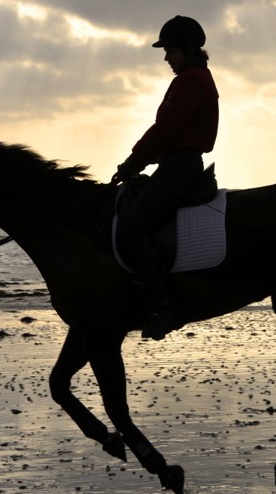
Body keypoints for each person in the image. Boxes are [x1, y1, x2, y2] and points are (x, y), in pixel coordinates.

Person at [113, 15, 219, 340]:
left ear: (186, 49)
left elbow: (165, 130)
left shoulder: (191, 81)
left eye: (169, 50)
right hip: (173, 164)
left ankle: (163, 307)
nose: (165, 57)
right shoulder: (193, 77)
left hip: (180, 166)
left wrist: (133, 161)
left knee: (131, 229)